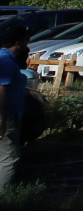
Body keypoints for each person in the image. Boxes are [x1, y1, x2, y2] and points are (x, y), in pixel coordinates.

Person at [0, 20, 30, 194]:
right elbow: (1, 90)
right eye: (26, 40)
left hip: (9, 116)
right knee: (9, 159)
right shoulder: (6, 61)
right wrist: (2, 120)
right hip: (6, 118)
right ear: (18, 43)